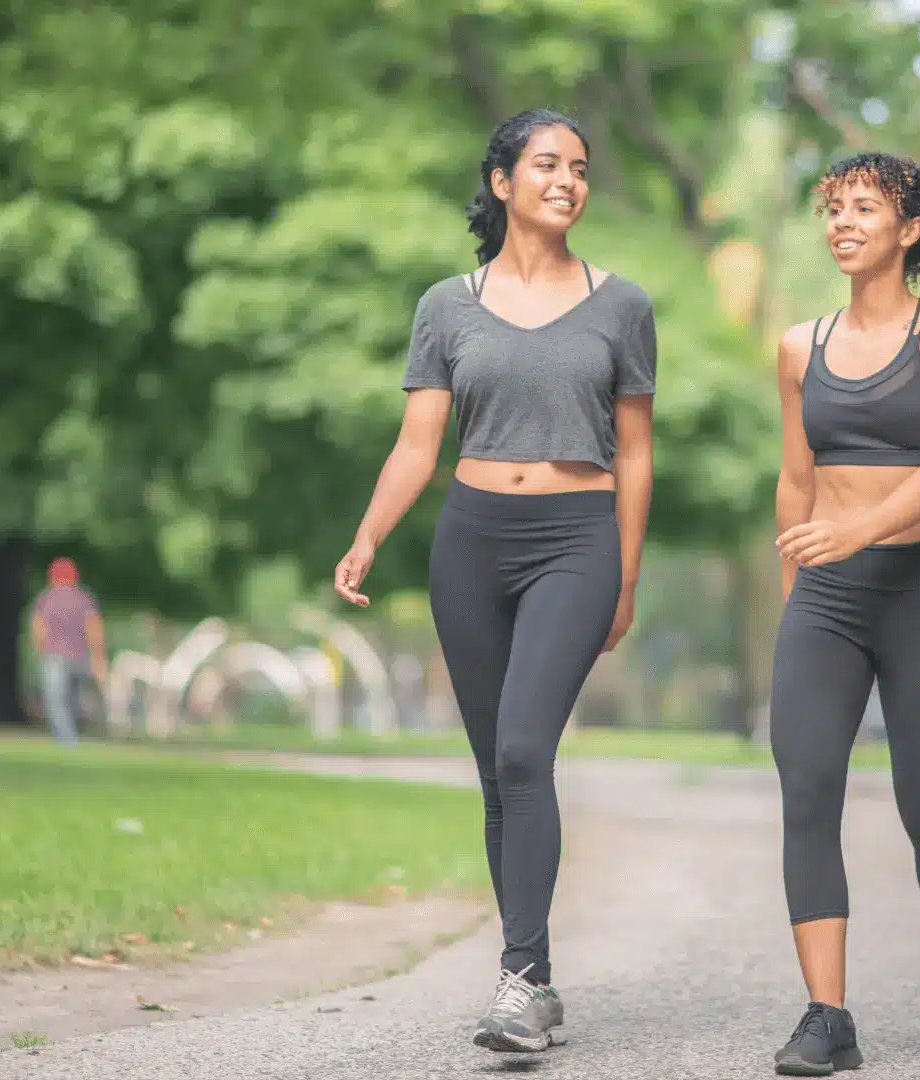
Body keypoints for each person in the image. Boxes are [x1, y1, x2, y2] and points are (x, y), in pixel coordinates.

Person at [331, 107, 655, 1054]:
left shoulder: (622, 305)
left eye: (580, 168)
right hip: (471, 542)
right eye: (548, 164)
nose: (567, 181)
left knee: (523, 751)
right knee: (496, 774)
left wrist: (626, 576)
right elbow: (418, 444)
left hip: (576, 539)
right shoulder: (446, 306)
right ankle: (533, 983)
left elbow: (636, 454)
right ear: (503, 182)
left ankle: (516, 981)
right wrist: (367, 537)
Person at [767, 151, 920, 1074]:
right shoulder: (798, 346)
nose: (844, 223)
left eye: (866, 208)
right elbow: (796, 479)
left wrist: (852, 533)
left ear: (910, 230)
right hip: (826, 601)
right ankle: (827, 1016)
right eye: (835, 208)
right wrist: (797, 594)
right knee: (808, 790)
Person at [29, 557, 106, 747]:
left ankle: (67, 739)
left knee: (56, 700)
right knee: (72, 699)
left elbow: (38, 627)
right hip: (79, 656)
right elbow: (94, 627)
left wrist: (40, 649)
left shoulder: (46, 598)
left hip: (54, 655)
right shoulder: (84, 598)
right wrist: (98, 656)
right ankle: (70, 736)